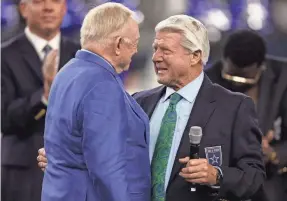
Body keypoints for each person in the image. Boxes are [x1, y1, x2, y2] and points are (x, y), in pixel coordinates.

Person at [38, 15, 265, 201]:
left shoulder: (234, 107)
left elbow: (254, 177)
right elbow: (109, 158)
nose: (155, 57)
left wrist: (216, 175)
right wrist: (66, 157)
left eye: (165, 50)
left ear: (195, 56)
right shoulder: (137, 102)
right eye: (155, 48)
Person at [40, 3, 151, 201]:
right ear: (118, 44)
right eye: (134, 43)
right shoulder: (101, 84)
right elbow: (107, 166)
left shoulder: (68, 71)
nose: (135, 51)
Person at [1, 0, 79, 201]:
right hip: (23, 176)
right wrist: (45, 95)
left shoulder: (81, 55)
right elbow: (4, 118)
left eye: (55, 1)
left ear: (63, 8)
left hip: (74, 175)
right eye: (39, 1)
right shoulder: (4, 56)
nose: (48, 7)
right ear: (23, 9)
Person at [205, 30, 287, 201]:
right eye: (231, 76)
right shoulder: (208, 79)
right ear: (224, 60)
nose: (236, 84)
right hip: (223, 176)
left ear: (261, 66)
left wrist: (273, 153)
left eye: (245, 80)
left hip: (273, 179)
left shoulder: (283, 78)